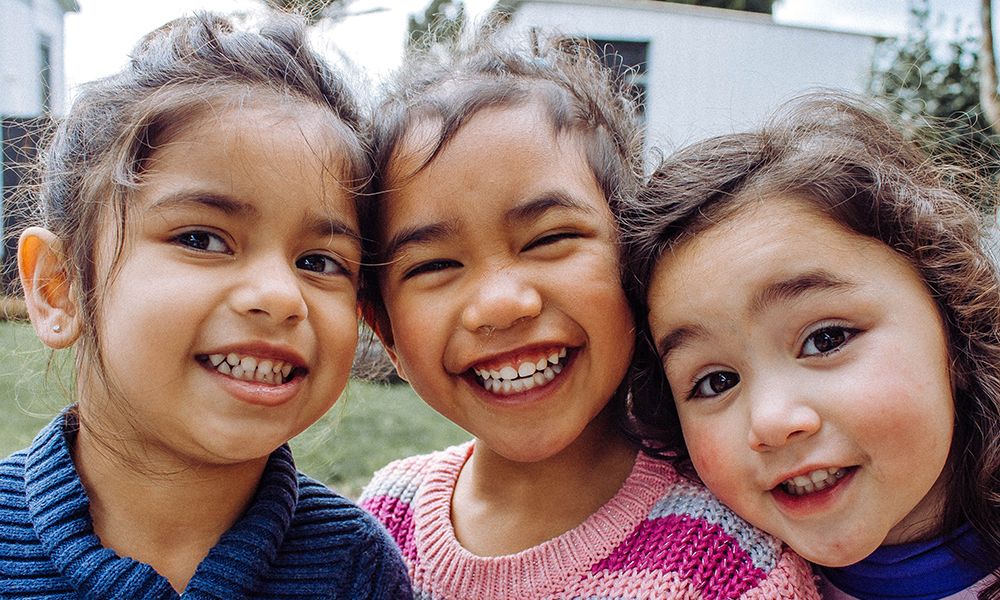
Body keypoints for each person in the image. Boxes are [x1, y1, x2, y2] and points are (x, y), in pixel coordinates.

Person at [357, 25, 819, 600]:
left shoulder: (726, 560)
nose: (501, 304)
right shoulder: (377, 524)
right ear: (387, 333)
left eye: (548, 238)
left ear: (633, 260)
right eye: (433, 266)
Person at [0, 13, 411, 599]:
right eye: (201, 239)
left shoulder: (357, 569)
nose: (278, 296)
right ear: (59, 288)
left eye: (319, 262)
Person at [622, 92, 1000, 600]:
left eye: (826, 340)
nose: (772, 422)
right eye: (716, 382)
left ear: (954, 325)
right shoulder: (699, 581)